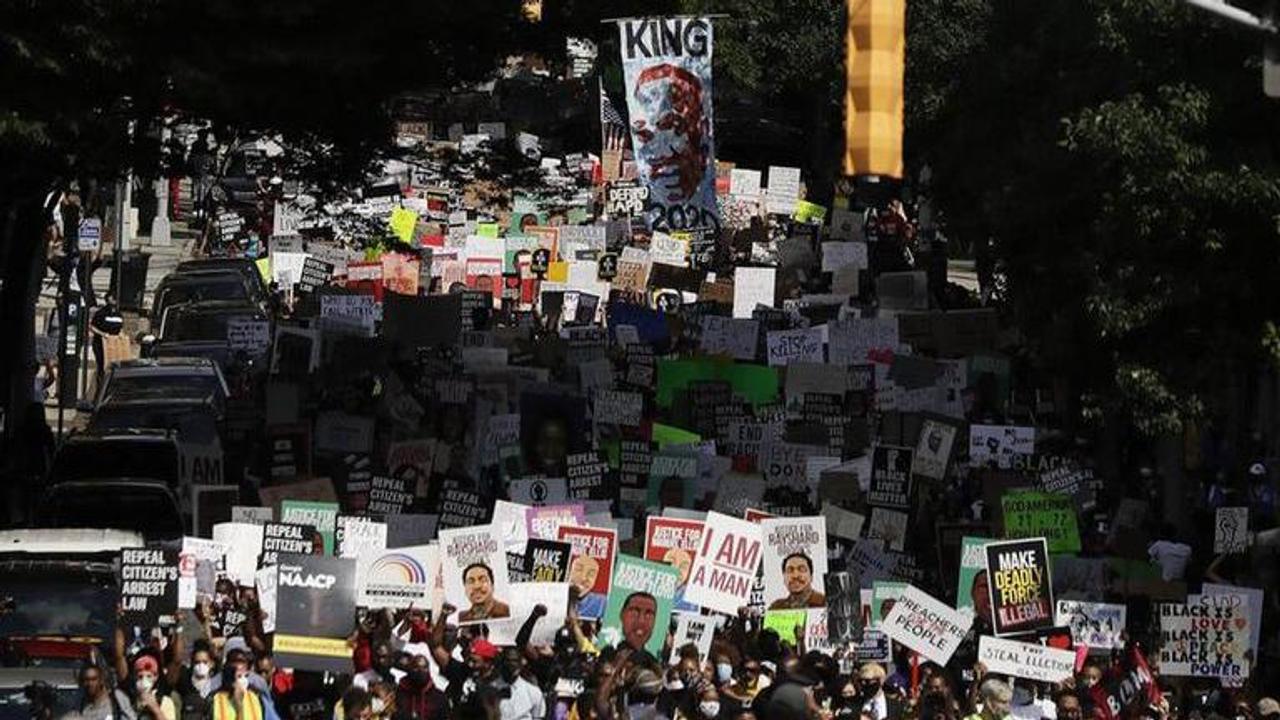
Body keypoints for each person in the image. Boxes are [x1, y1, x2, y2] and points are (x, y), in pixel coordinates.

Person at [209, 656, 279, 720]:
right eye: (239, 676)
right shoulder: (214, 701)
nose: (244, 680)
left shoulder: (258, 699)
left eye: (246, 676)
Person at [62, 665, 135, 720]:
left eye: (93, 679)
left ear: (101, 680)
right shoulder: (80, 702)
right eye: (86, 680)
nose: (90, 684)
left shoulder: (116, 697)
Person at [89, 292, 124, 393]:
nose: (115, 301)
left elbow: (120, 328)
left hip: (114, 344)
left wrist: (121, 334)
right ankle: (100, 389)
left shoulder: (118, 314)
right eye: (113, 298)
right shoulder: (101, 313)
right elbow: (92, 327)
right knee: (102, 367)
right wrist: (103, 334)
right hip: (101, 344)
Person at [128, 654, 176, 720]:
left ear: (156, 677)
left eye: (149, 676)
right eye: (140, 677)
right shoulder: (129, 701)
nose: (144, 681)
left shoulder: (165, 701)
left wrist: (155, 707)